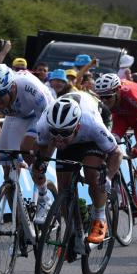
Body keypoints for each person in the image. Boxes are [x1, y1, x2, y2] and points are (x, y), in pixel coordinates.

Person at [23, 95, 121, 244]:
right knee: (63, 188)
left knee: (92, 175)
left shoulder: (92, 124)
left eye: (63, 133)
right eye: (54, 133)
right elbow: (42, 148)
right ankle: (74, 229)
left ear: (77, 127)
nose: (58, 138)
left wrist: (108, 177)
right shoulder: (44, 125)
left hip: (91, 140)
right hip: (70, 144)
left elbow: (116, 153)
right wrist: (39, 166)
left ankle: (100, 218)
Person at [0, 64, 55, 220]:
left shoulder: (31, 89)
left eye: (0, 94)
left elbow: (44, 124)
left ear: (12, 88)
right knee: (8, 172)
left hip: (41, 114)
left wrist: (38, 159)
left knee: (26, 147)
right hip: (16, 117)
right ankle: (20, 224)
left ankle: (43, 196)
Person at [93, 73, 137, 219]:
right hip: (120, 116)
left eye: (107, 96)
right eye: (101, 96)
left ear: (117, 91)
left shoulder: (131, 96)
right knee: (110, 143)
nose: (104, 100)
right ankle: (115, 181)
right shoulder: (105, 100)